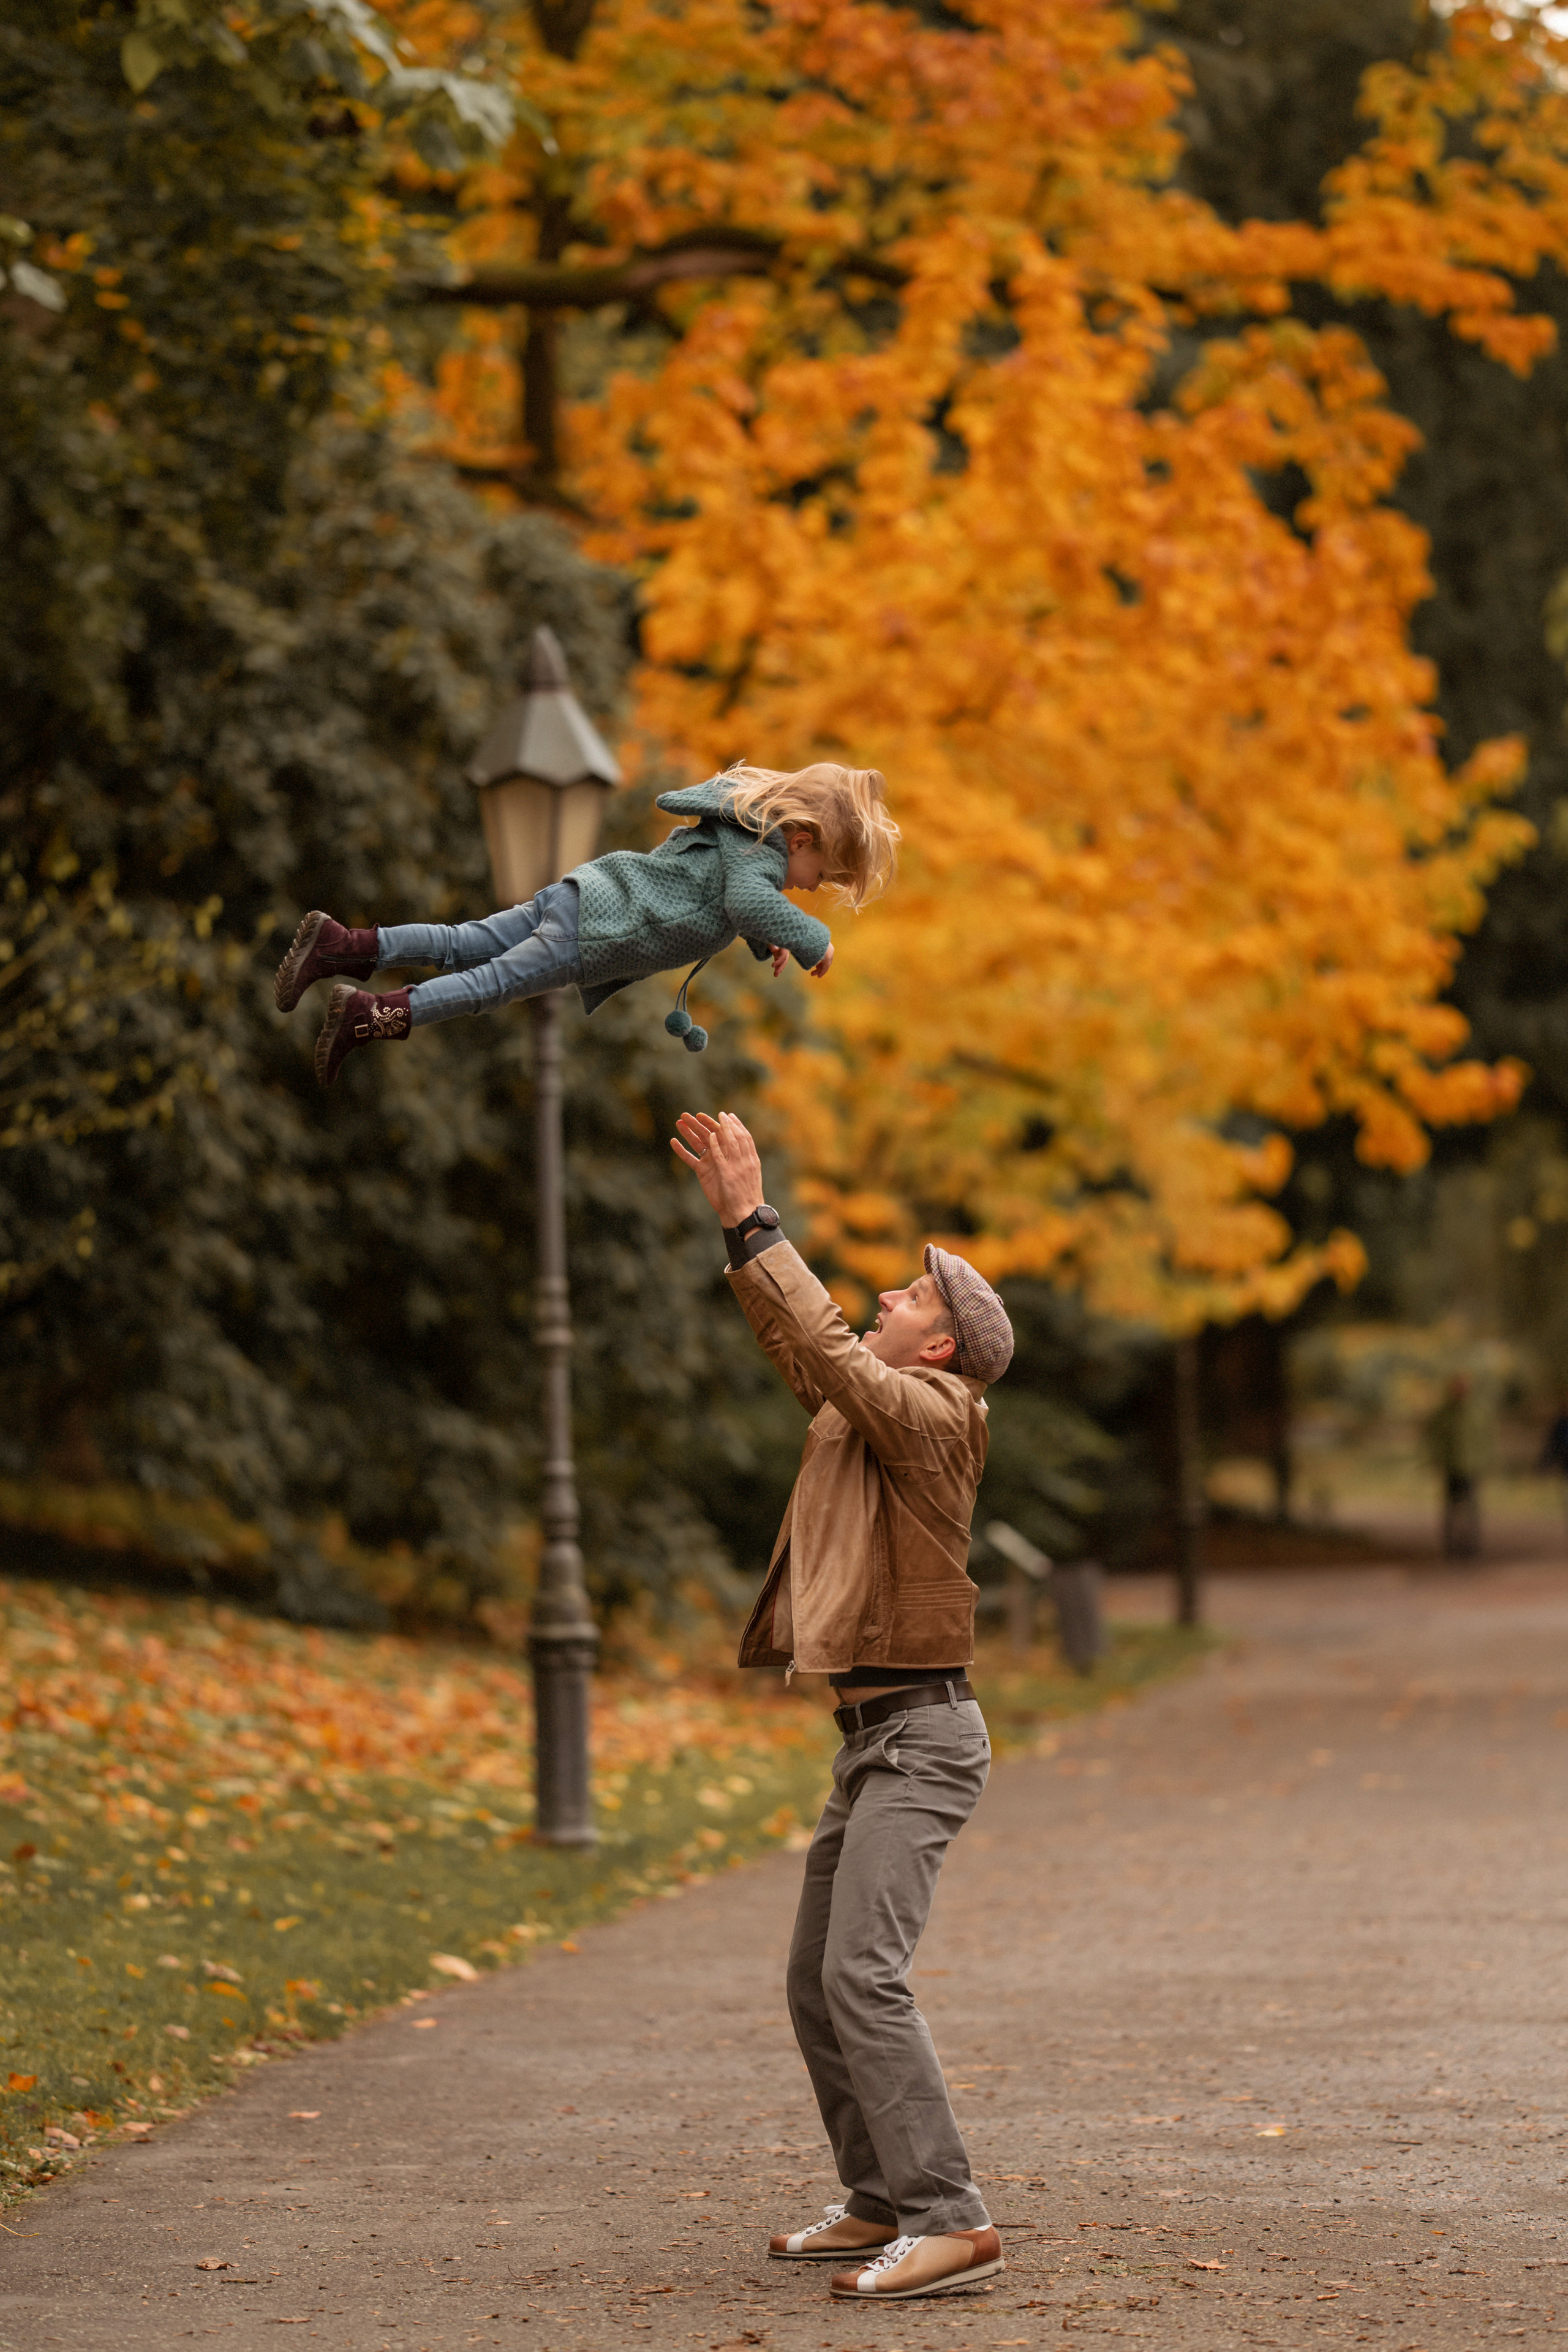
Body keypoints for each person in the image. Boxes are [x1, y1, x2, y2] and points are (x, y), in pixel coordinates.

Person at [669, 1107, 1014, 2305]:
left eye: (910, 1297)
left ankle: (948, 2218)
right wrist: (735, 1231)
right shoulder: (878, 1408)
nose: (887, 1297)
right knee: (815, 1974)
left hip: (923, 1739)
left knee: (861, 1974)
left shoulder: (935, 1419)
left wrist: (759, 1216)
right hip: (872, 1742)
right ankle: (876, 2196)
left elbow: (825, 1348)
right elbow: (801, 1347)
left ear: (942, 1348)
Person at [272, 763, 896, 1085]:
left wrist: (767, 941)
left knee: (464, 943)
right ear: (799, 837)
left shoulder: (745, 842)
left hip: (584, 895)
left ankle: (340, 946)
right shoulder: (758, 859)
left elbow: (729, 896)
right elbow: (744, 899)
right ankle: (363, 1015)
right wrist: (811, 939)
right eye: (821, 875)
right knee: (489, 983)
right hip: (594, 929)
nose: (812, 889)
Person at [1423, 1374, 1487, 1561]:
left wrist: (1485, 1462)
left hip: (1472, 1466)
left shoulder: (1477, 1413)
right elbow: (1433, 1438)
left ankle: (1472, 1544)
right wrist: (1435, 1459)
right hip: (1451, 1466)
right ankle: (1450, 1545)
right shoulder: (1443, 1414)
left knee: (1471, 1507)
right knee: (1451, 1508)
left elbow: (1486, 1439)